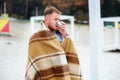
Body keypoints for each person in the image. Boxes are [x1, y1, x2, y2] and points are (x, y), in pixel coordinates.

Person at [25, 6, 83, 80]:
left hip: (62, 74)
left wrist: (64, 34)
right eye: (55, 19)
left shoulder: (62, 36)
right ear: (46, 20)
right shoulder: (35, 38)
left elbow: (69, 53)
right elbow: (36, 61)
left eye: (59, 19)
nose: (58, 22)